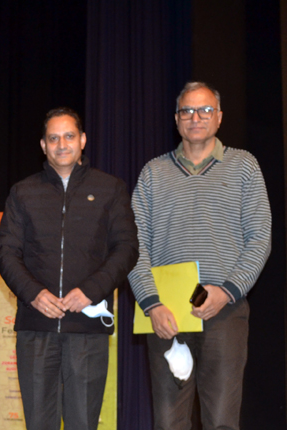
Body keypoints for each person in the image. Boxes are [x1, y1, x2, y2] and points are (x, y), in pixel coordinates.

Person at [128, 82, 271, 430]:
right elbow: (133, 246)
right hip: (166, 315)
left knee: (222, 421)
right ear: (176, 120)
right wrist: (151, 304)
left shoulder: (244, 167)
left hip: (225, 311)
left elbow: (260, 238)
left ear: (219, 117)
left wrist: (226, 291)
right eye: (187, 111)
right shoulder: (152, 173)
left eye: (205, 110)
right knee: (167, 422)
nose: (196, 118)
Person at [0, 108, 138, 430]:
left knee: (82, 424)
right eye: (53, 138)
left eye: (69, 136)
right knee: (38, 424)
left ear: (83, 140)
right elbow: (6, 253)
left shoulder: (110, 188)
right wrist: (33, 293)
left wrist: (92, 290)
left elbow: (127, 248)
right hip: (36, 328)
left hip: (87, 331)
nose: (62, 144)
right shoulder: (23, 192)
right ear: (43, 145)